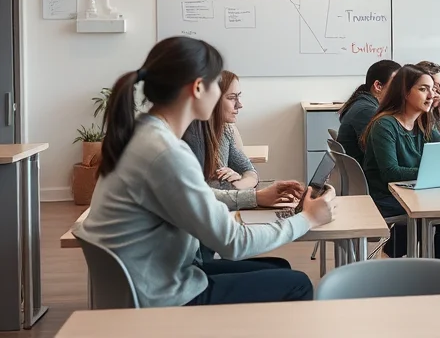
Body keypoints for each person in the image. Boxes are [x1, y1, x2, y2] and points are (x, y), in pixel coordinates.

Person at [76, 36, 336, 307]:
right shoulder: (166, 153)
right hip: (164, 295)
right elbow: (233, 243)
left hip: (154, 279)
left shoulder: (142, 134)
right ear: (199, 88)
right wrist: (308, 219)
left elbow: (195, 195)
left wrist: (255, 197)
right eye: (216, 84)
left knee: (279, 269)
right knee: (297, 283)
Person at [362, 64, 440, 260]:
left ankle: (433, 272)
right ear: (405, 92)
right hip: (388, 196)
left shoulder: (422, 123)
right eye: (423, 89)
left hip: (414, 192)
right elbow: (391, 172)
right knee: (429, 215)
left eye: (433, 90)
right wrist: (432, 172)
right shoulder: (384, 125)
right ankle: (394, 258)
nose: (431, 95)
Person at [337, 59, 401, 164]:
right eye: (397, 83)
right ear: (378, 86)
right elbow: (385, 154)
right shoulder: (367, 111)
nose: (401, 89)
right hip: (370, 176)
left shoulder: (362, 103)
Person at [203, 70, 257, 190]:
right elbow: (209, 190)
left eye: (239, 97)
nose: (239, 105)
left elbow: (250, 172)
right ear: (213, 100)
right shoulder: (194, 137)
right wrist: (231, 186)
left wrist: (237, 182)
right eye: (232, 98)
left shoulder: (224, 130)